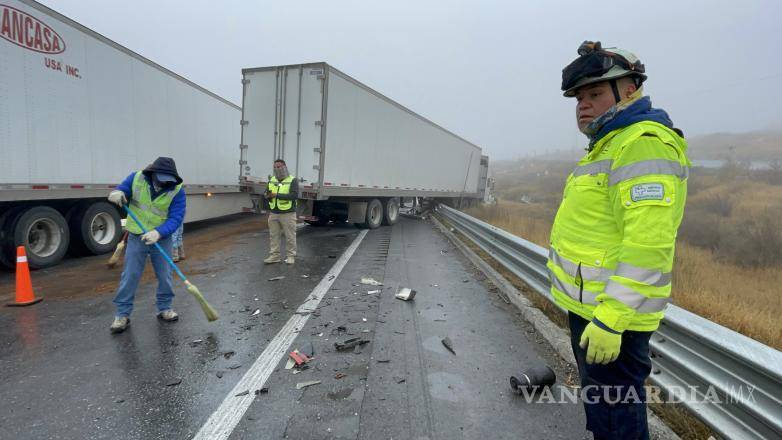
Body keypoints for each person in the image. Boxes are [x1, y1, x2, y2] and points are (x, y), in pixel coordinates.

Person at [549, 41, 690, 439]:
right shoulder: (607, 145)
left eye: (594, 93)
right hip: (593, 310)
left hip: (615, 318)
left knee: (619, 412)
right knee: (604, 409)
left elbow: (649, 246)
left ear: (630, 89)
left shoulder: (641, 142)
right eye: (579, 97)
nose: (583, 105)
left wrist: (611, 320)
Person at [106, 157, 186, 333]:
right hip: (137, 236)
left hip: (161, 237)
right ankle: (122, 314)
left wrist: (159, 233)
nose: (164, 184)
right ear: (153, 174)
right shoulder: (137, 178)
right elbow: (123, 190)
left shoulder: (177, 190)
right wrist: (118, 192)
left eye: (168, 181)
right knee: (131, 275)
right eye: (162, 180)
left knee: (165, 274)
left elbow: (176, 218)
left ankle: (165, 308)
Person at [264, 159, 298, 265]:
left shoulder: (292, 180)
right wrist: (267, 195)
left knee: (290, 236)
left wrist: (276, 195)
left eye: (279, 167)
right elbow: (266, 191)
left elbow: (294, 196)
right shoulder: (272, 179)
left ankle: (290, 256)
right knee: (274, 236)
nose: (277, 169)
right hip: (274, 213)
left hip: (288, 213)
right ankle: (275, 256)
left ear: (284, 167)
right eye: (275, 167)